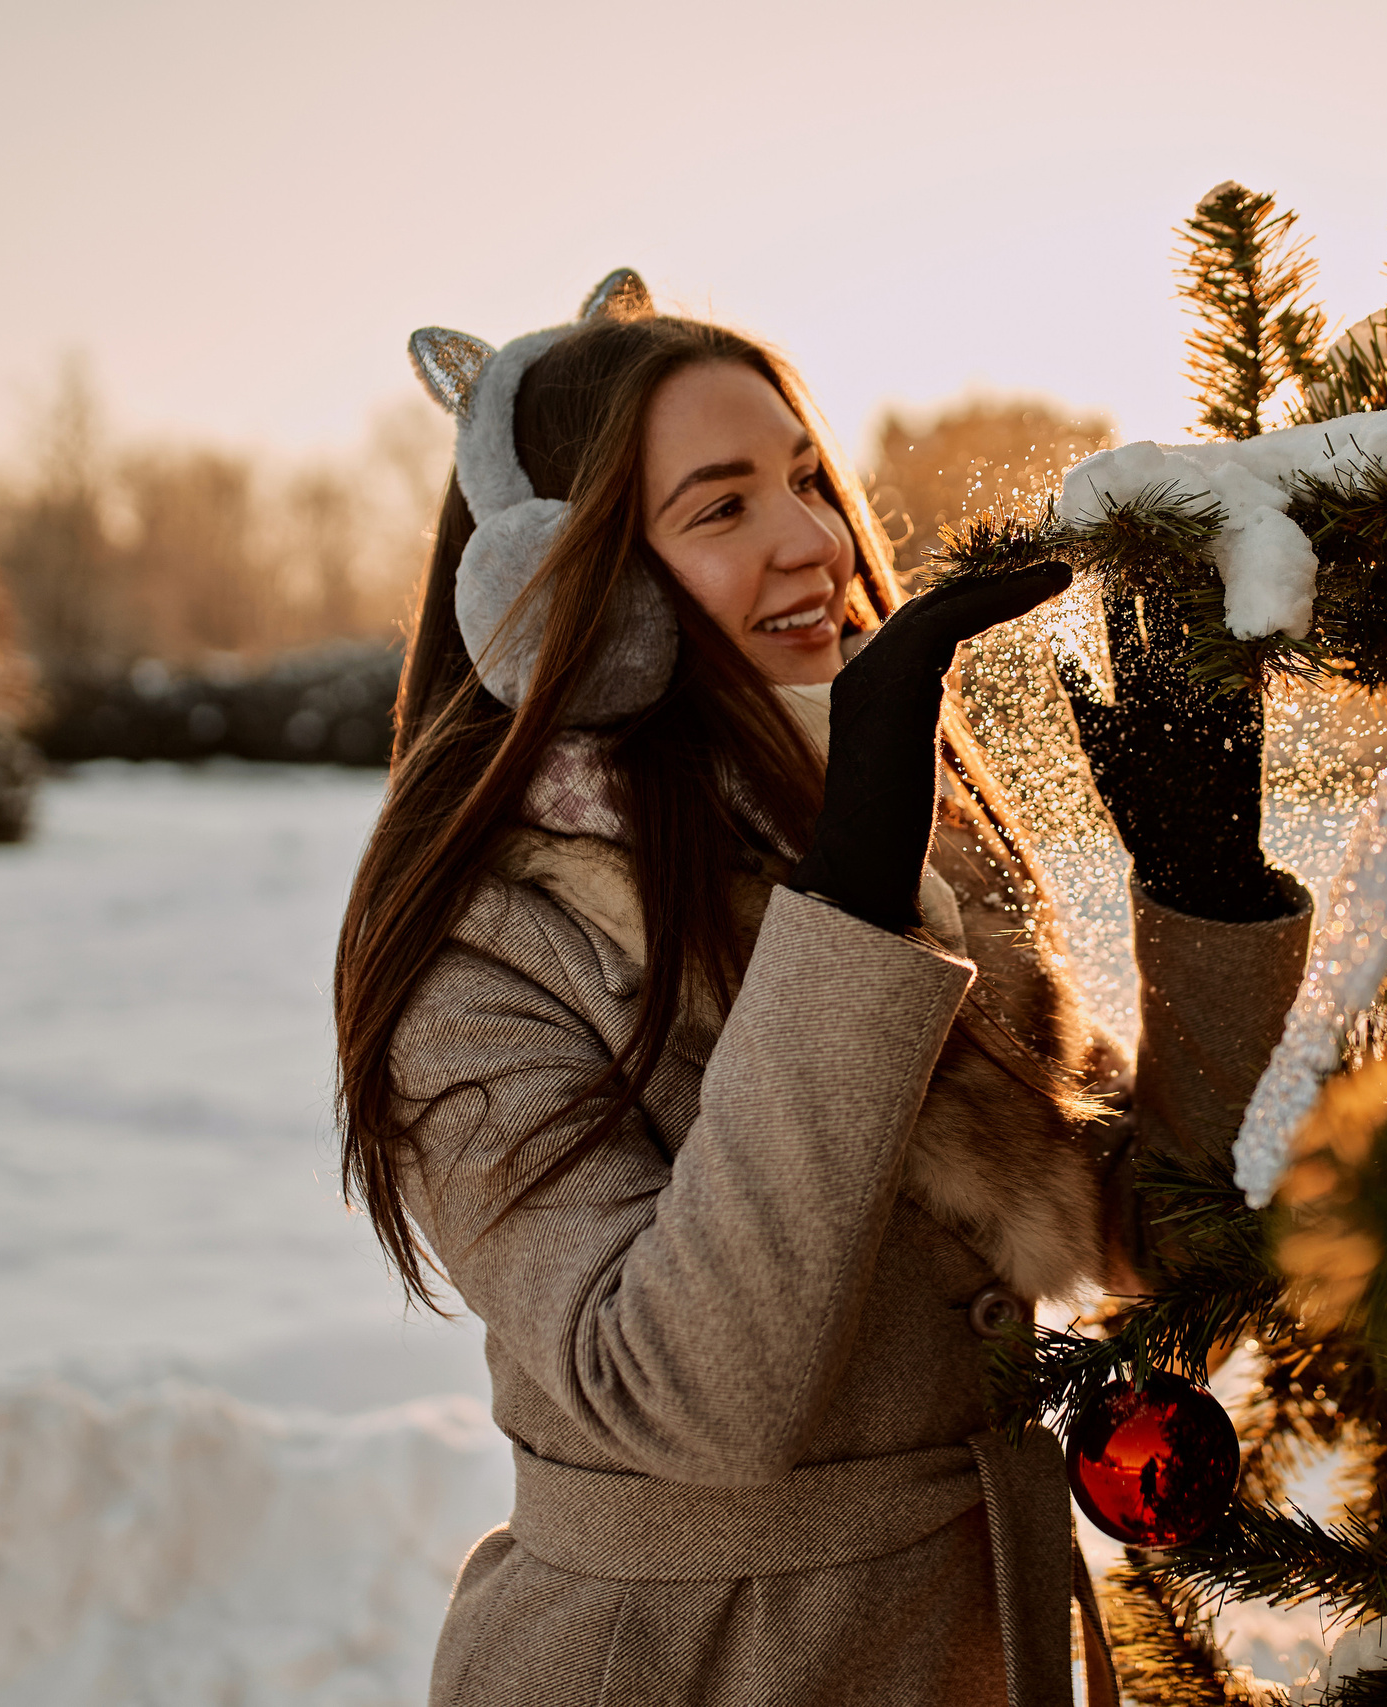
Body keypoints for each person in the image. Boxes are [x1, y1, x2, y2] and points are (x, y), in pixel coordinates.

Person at [333, 269, 1312, 1707]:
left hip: (977, 1641)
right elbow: (675, 1393)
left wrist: (1208, 893)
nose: (816, 542)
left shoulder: (904, 847)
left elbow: (1138, 1239)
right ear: (573, 598)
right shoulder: (490, 947)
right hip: (684, 1669)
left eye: (805, 477)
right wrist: (846, 898)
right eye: (720, 508)